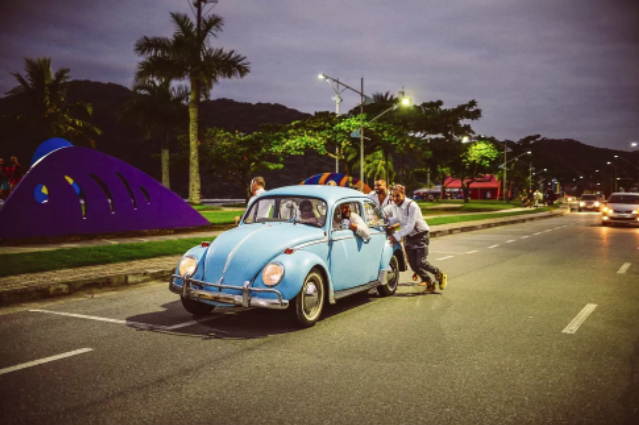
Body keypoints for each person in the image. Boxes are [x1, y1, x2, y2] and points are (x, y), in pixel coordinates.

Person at [384, 185, 447, 292]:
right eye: (393, 196)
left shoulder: (412, 206)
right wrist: (382, 219)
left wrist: (395, 236)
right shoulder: (394, 205)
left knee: (421, 262)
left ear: (403, 194)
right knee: (413, 265)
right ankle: (429, 282)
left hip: (420, 235)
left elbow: (410, 226)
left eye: (397, 196)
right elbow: (392, 217)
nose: (395, 199)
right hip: (408, 236)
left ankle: (439, 274)